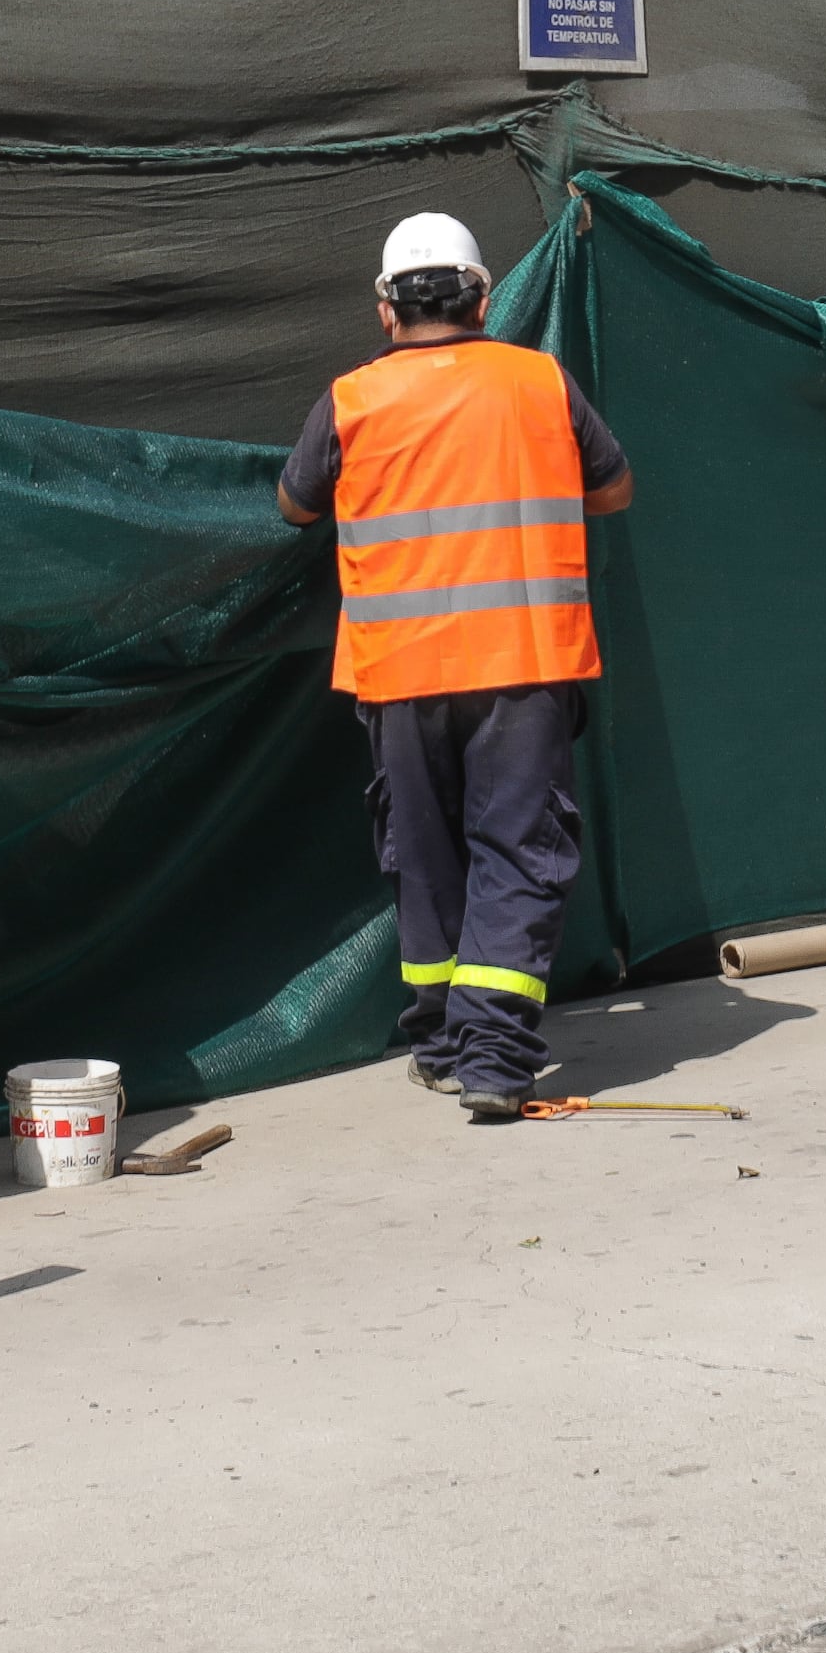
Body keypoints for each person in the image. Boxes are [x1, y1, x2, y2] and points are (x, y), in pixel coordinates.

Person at [273, 212, 632, 1123]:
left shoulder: (352, 398)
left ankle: (441, 1044)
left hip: (399, 673)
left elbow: (293, 504)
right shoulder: (538, 379)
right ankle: (496, 1061)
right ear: (480, 296)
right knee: (517, 853)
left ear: (386, 308)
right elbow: (615, 488)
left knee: (426, 860)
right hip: (523, 664)